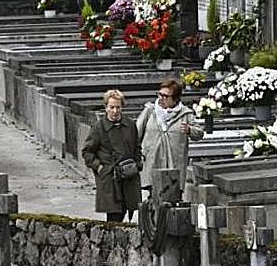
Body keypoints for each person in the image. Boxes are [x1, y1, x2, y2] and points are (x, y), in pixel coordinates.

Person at [137, 77, 204, 202]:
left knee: (173, 200)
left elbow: (199, 133)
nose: (161, 98)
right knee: (153, 200)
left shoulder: (185, 114)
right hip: (152, 163)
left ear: (175, 98)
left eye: (166, 96)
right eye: (160, 94)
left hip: (175, 166)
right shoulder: (150, 111)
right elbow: (136, 133)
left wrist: (190, 130)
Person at [81, 89, 142, 222]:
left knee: (127, 210)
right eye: (111, 107)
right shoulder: (99, 127)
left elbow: (137, 147)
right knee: (114, 217)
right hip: (110, 179)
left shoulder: (130, 125)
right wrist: (99, 167)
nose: (115, 111)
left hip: (129, 177)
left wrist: (137, 165)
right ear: (106, 107)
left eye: (118, 107)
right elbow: (87, 152)